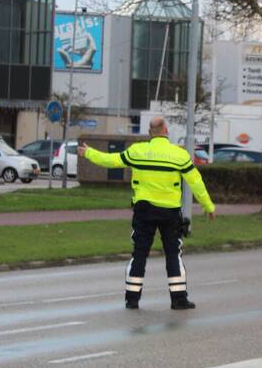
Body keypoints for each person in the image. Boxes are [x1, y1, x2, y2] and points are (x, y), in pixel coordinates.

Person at [78, 117, 216, 310]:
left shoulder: (137, 151)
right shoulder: (179, 155)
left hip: (144, 211)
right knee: (173, 254)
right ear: (166, 130)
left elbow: (111, 161)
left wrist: (89, 153)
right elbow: (196, 182)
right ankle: (178, 299)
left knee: (140, 253)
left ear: (150, 132)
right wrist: (208, 206)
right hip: (170, 212)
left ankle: (132, 300)